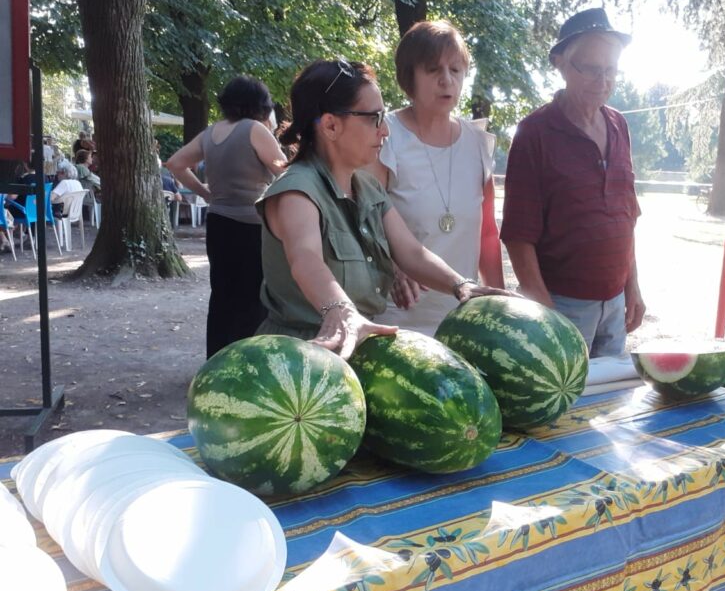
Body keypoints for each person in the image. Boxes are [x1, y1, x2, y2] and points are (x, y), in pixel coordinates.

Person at [257, 58, 509, 358]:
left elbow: (411, 252)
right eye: (374, 118)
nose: (385, 131)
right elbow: (306, 259)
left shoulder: (367, 187)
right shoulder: (297, 191)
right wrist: (340, 310)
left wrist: (461, 286)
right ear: (331, 125)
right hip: (302, 356)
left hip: (355, 353)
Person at [501, 7, 645, 357]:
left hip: (614, 305)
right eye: (591, 69)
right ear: (561, 64)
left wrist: (633, 288)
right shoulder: (534, 133)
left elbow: (626, 218)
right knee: (564, 407)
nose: (603, 80)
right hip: (562, 305)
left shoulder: (619, 126)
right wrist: (546, 314)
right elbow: (518, 236)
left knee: (609, 407)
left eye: (610, 70)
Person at [365, 20, 504, 336]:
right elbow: (364, 221)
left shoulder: (478, 142)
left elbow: (487, 234)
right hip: (395, 316)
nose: (446, 80)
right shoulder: (384, 136)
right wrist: (394, 267)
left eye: (455, 70)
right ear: (408, 77)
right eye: (433, 70)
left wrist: (497, 308)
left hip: (461, 314)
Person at [166, 75, 287, 358]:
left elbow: (175, 164)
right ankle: (247, 361)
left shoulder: (210, 133)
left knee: (222, 294)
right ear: (260, 104)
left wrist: (206, 193)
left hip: (218, 222)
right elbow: (286, 171)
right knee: (253, 297)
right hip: (252, 225)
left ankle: (217, 361)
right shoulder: (255, 130)